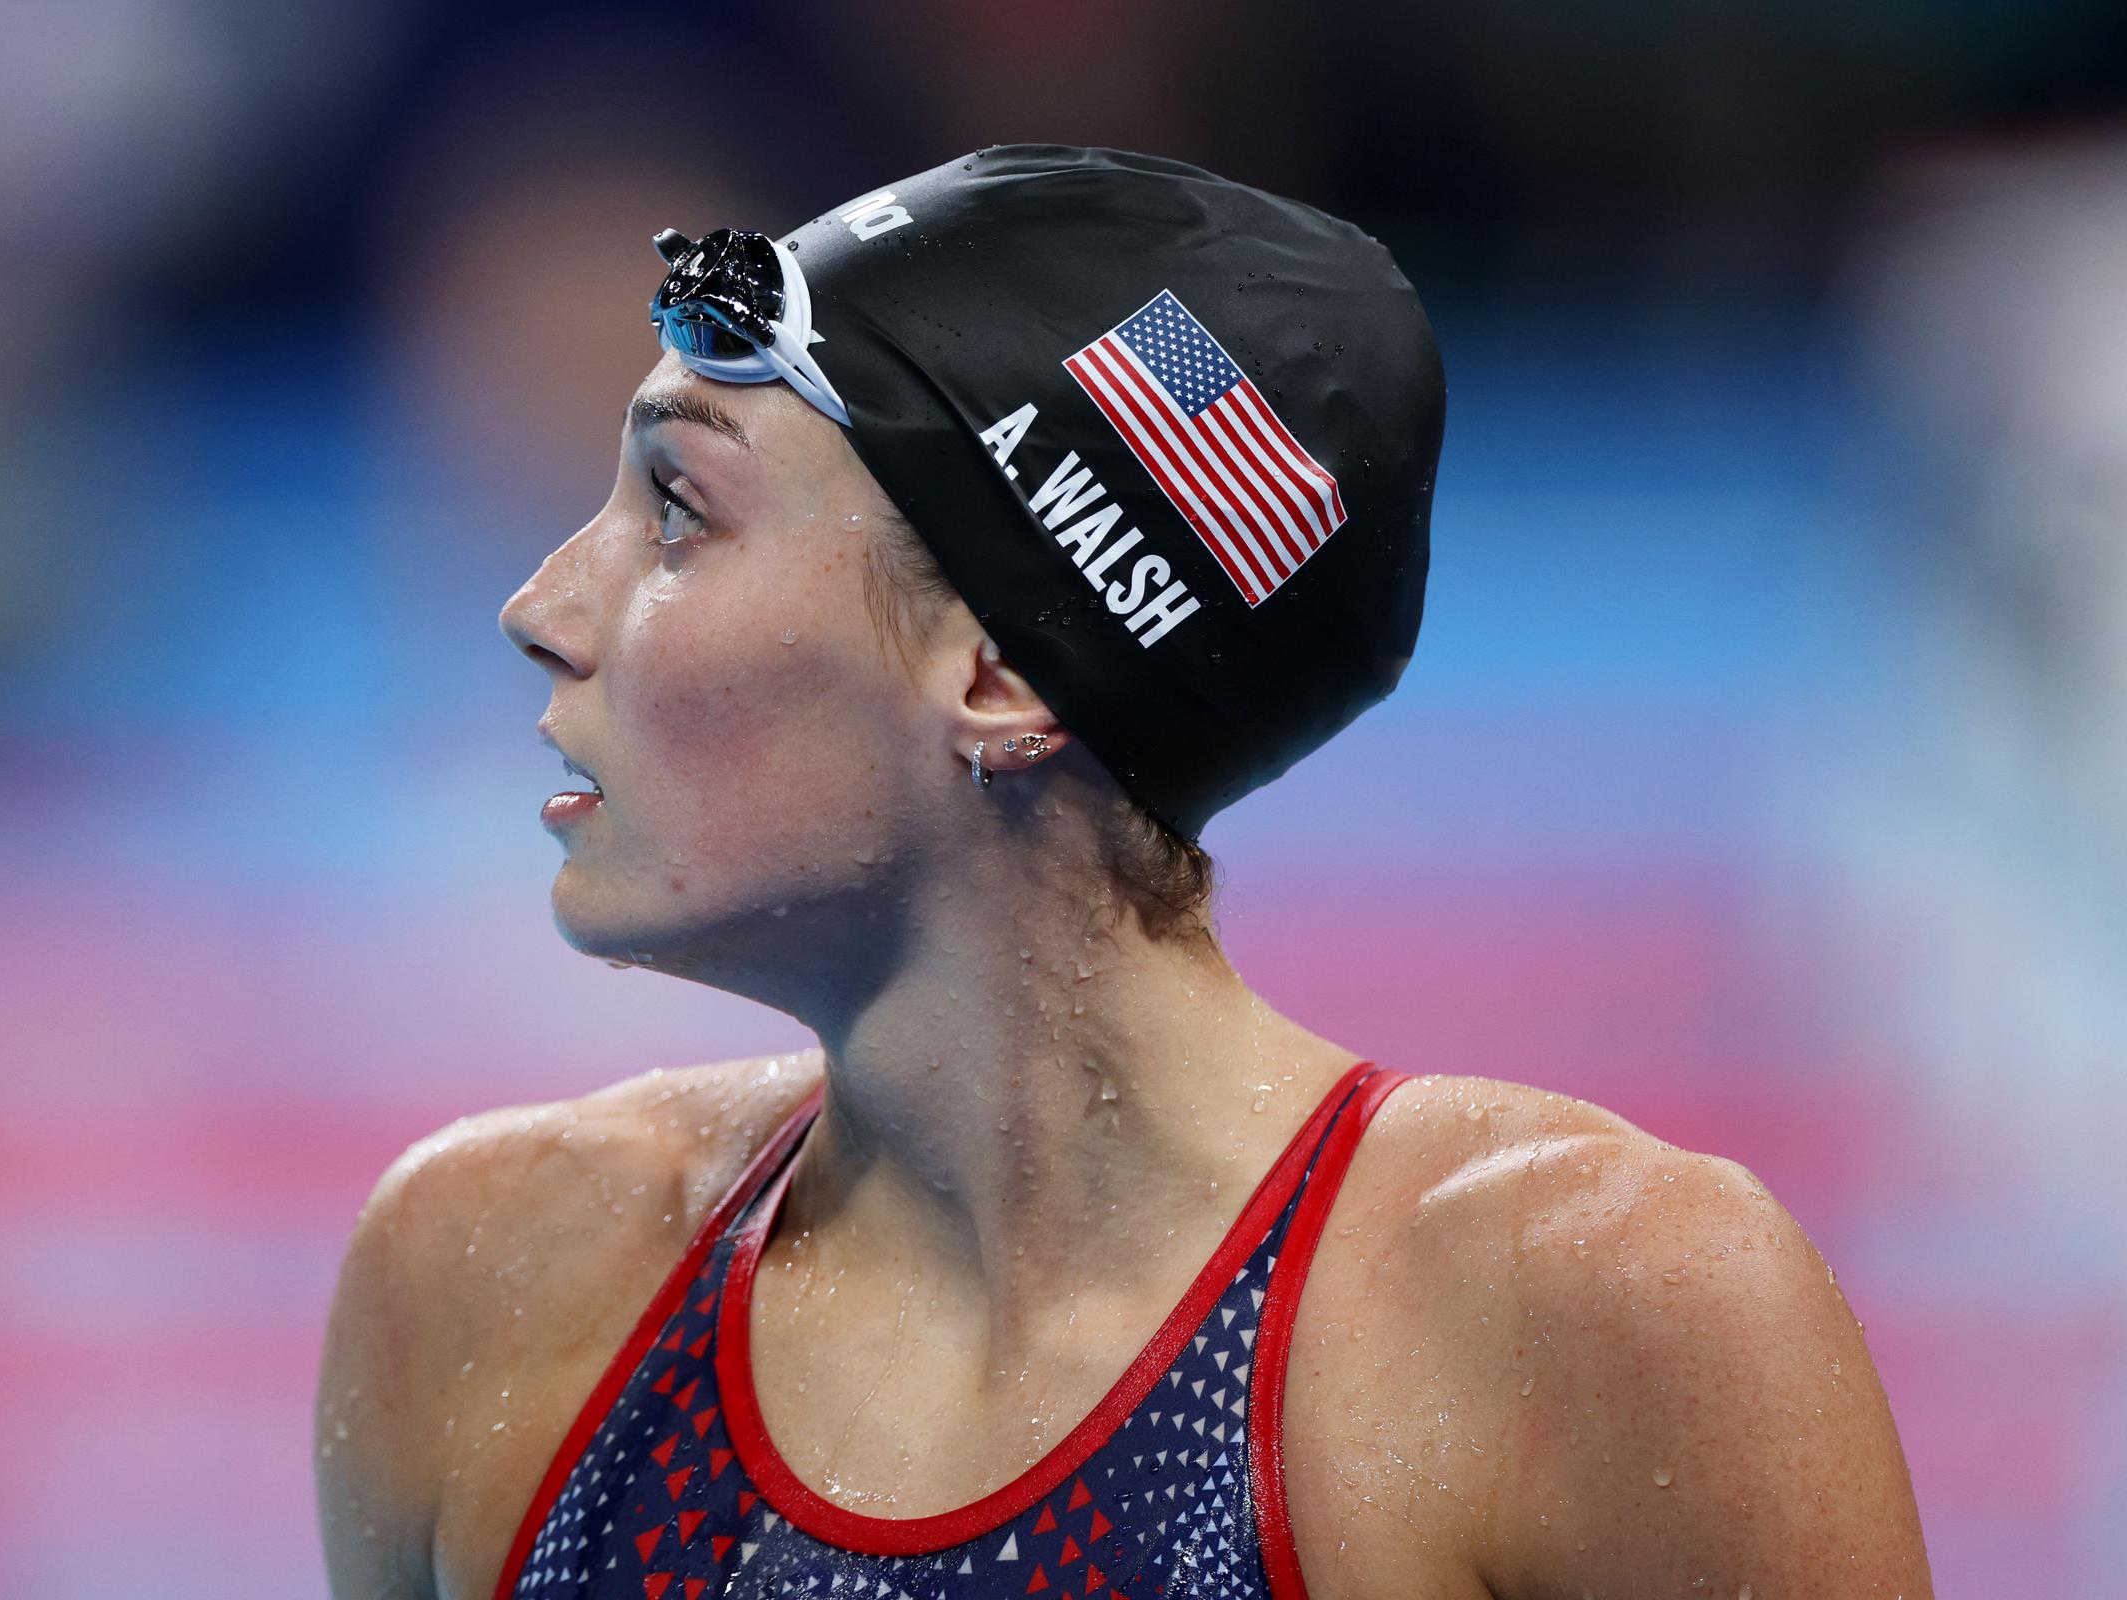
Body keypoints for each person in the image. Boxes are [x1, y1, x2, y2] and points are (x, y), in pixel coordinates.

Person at [315, 146, 1933, 1600]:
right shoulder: (489, 1281)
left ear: (1002, 674)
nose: (541, 604)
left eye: (680, 510)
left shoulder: (1579, 1324)